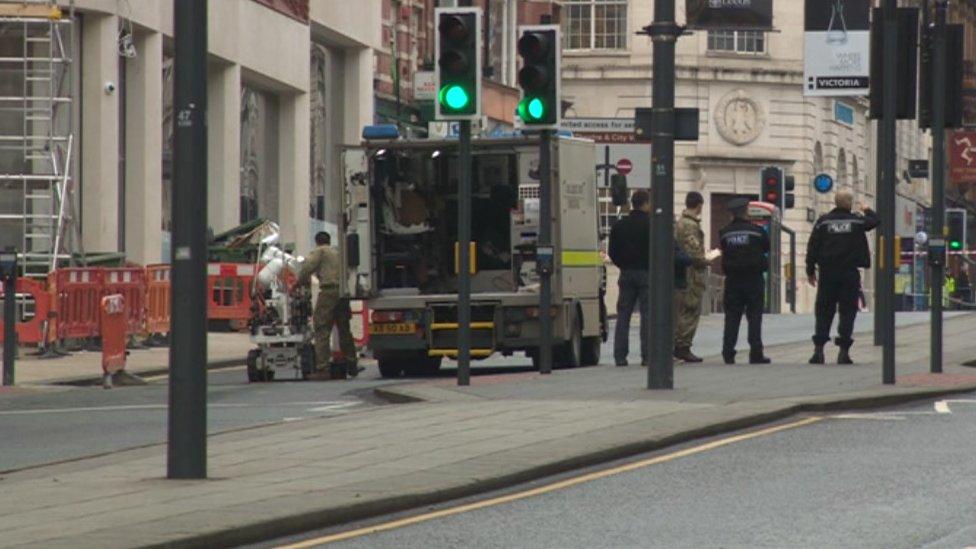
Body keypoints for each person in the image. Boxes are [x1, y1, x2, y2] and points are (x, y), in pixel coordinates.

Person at [806, 190, 878, 364]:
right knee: (847, 311)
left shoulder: (823, 222)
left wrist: (810, 270)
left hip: (827, 273)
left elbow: (813, 246)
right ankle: (843, 352)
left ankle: (819, 351)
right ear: (849, 203)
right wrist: (867, 209)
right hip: (849, 273)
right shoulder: (856, 221)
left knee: (824, 310)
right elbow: (875, 221)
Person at [297, 231, 359, 379]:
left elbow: (307, 268)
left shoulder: (320, 251)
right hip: (343, 292)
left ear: (317, 242)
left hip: (328, 292)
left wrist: (301, 282)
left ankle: (322, 368)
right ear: (329, 240)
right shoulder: (338, 252)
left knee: (322, 329)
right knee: (344, 329)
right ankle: (352, 365)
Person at [718, 197, 771, 365]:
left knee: (732, 317)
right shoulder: (757, 232)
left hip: (733, 280)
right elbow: (766, 247)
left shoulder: (725, 232)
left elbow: (723, 248)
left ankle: (728, 352)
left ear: (732, 214)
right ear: (746, 211)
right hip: (754, 279)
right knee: (754, 317)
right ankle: (756, 353)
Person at [608, 190, 651, 366]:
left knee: (623, 315)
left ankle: (620, 356)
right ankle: (647, 356)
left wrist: (622, 264)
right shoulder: (651, 224)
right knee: (647, 316)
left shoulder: (619, 225)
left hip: (626, 273)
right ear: (646, 203)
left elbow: (612, 252)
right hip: (646, 273)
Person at [674, 191, 714, 363]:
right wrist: (706, 260)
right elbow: (694, 251)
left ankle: (680, 345)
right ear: (699, 206)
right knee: (690, 309)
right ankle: (683, 346)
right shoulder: (690, 225)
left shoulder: (680, 222)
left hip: (684, 271)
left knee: (683, 309)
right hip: (691, 273)